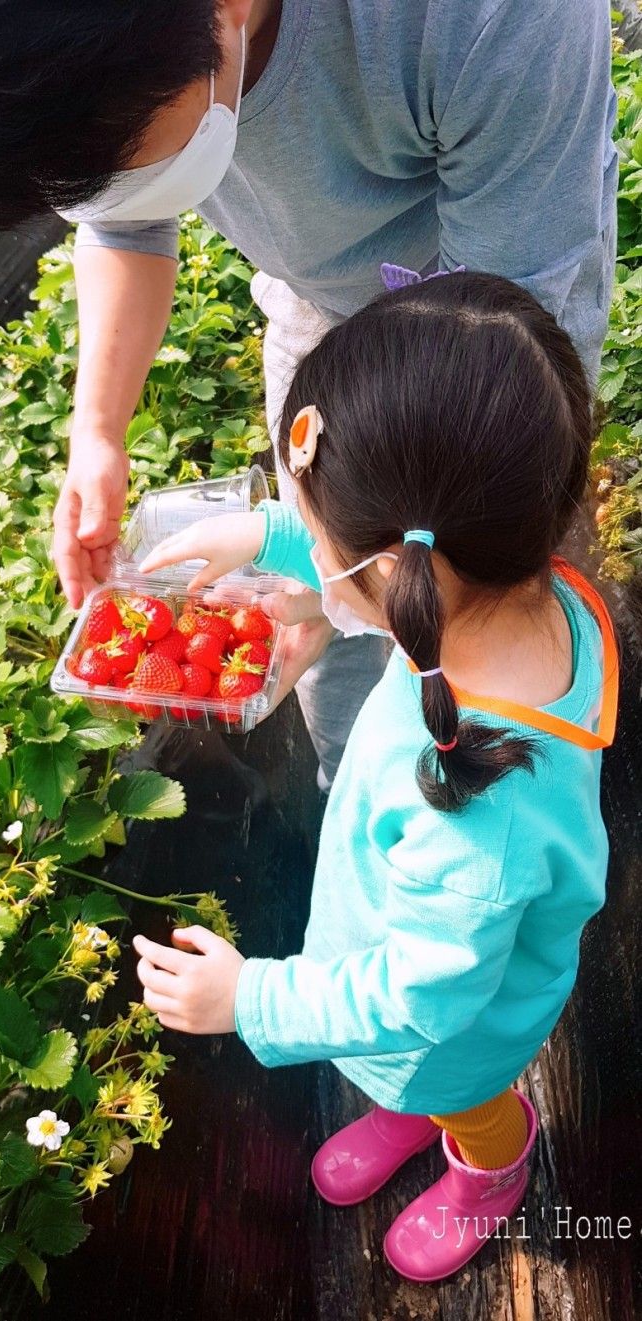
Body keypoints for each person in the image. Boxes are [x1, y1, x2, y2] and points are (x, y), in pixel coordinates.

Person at [0, 0, 618, 788]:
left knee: (480, 611)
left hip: (492, 356)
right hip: (321, 317)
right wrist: (98, 432)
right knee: (336, 662)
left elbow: (492, 389)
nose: (108, 196)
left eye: (123, 164)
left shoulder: (490, 18)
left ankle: (460, 787)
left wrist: (341, 583)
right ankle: (354, 781)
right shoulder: (101, 64)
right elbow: (123, 220)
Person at [132, 270, 618, 1282]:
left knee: (459, 1095)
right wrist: (270, 538)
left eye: (314, 535)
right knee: (408, 1073)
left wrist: (251, 1000)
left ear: (398, 573)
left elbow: (418, 1000)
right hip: (412, 955)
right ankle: (403, 1105)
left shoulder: (480, 818)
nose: (306, 547)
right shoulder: (520, 591)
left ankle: (489, 1165)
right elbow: (401, 564)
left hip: (453, 1024)